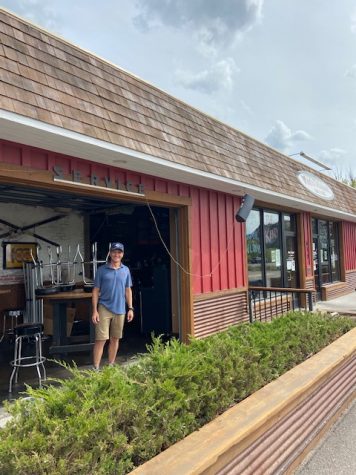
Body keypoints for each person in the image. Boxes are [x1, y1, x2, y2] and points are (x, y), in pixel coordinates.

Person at [91, 242, 134, 370]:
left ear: (122, 254)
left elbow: (128, 290)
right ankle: (96, 368)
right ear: (110, 253)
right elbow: (95, 290)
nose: (116, 254)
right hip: (104, 307)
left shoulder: (125, 270)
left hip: (120, 309)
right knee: (101, 339)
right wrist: (95, 311)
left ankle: (110, 365)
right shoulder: (101, 270)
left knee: (115, 338)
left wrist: (130, 308)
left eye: (119, 252)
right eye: (114, 252)